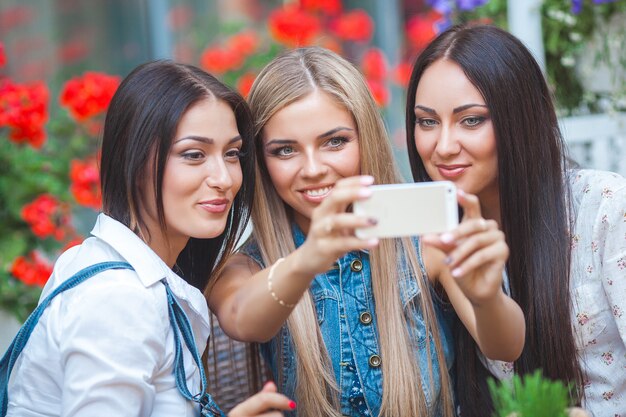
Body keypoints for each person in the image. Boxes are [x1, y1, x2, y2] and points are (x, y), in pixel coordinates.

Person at [207, 46, 525, 417]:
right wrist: (310, 258)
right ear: (261, 160)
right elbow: (242, 319)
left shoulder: (422, 239)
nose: (313, 169)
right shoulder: (247, 266)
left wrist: (487, 297)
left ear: (365, 139)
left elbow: (506, 347)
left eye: (335, 142)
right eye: (285, 151)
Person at [3, 60, 294, 417]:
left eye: (231, 153)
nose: (224, 177)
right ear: (134, 161)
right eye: (193, 155)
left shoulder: (101, 264)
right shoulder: (120, 299)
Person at [405, 24, 626, 417]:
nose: (443, 146)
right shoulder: (437, 239)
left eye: (471, 120)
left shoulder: (605, 207)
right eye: (427, 122)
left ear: (519, 118)